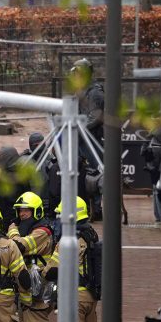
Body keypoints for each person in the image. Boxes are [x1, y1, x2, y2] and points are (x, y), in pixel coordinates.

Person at [49, 197, 101, 322]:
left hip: (75, 297)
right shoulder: (91, 234)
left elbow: (50, 270)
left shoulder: (68, 241)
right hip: (91, 296)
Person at [7, 192, 55, 322]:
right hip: (26, 290)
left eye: (26, 211)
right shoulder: (25, 229)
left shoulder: (42, 232)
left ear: (36, 212)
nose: (22, 215)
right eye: (20, 211)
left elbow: (18, 246)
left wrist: (12, 231)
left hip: (38, 291)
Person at [70, 58, 105, 220]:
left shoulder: (95, 92)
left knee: (94, 175)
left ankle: (96, 210)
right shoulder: (81, 90)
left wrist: (79, 129)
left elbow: (95, 117)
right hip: (81, 140)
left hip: (93, 140)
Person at [0, 146, 35, 232]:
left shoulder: (17, 177)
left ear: (8, 158)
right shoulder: (7, 172)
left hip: (10, 226)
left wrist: (7, 224)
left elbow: (14, 206)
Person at [141, 129, 161, 224]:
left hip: (154, 165)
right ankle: (160, 215)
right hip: (158, 165)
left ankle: (159, 215)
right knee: (157, 190)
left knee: (156, 189)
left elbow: (143, 150)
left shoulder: (153, 133)